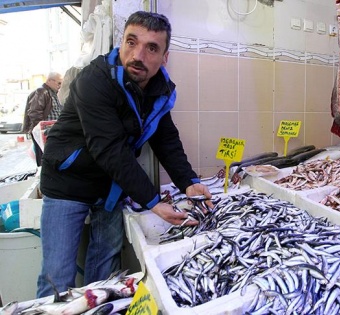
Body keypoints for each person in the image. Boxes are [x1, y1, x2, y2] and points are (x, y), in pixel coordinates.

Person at [36, 11, 213, 297]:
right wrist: (153, 202)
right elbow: (110, 149)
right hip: (67, 182)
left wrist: (188, 181)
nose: (138, 55)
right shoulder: (94, 80)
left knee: (105, 274)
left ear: (164, 57)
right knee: (57, 276)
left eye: (151, 48)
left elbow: (165, 139)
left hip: (111, 186)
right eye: (132, 42)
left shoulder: (159, 90)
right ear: (121, 42)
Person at [22, 72, 64, 166]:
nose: (60, 86)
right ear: (49, 81)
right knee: (43, 158)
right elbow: (34, 113)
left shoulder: (53, 93)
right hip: (44, 132)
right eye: (59, 83)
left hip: (50, 131)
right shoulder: (41, 91)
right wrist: (42, 131)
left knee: (49, 157)